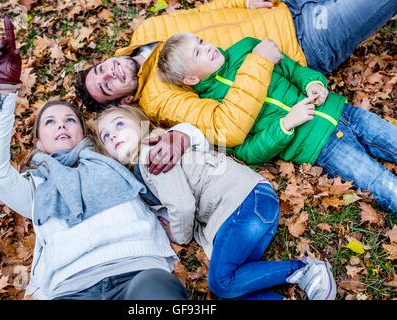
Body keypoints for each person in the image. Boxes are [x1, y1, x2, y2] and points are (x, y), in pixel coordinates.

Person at [0, 17, 201, 300]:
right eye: (50, 122)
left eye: (70, 119)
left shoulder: (115, 158)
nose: (61, 125)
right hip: (70, 287)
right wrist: (4, 91)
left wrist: (183, 136)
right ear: (39, 144)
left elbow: (179, 136)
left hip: (139, 271)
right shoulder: (35, 189)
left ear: (84, 133)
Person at [76, 0, 396, 149]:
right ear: (125, 99)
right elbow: (225, 128)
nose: (110, 72)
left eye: (101, 69)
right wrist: (260, 61)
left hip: (281, 7)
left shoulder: (146, 30)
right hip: (300, 44)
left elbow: (204, 16)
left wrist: (241, 1)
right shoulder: (160, 99)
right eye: (107, 86)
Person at [93, 105, 337, 300]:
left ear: (139, 123)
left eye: (120, 124)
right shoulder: (142, 173)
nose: (113, 134)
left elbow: (183, 206)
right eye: (106, 136)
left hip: (243, 203)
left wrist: (179, 236)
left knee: (222, 282)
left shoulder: (153, 156)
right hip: (250, 208)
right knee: (234, 288)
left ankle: (304, 270)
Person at [156, 32, 397, 214]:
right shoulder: (213, 109)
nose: (206, 47)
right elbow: (249, 151)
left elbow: (293, 70)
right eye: (197, 53)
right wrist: (285, 125)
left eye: (200, 41)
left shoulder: (247, 48)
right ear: (191, 78)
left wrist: (313, 84)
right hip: (320, 145)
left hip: (342, 111)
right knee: (380, 183)